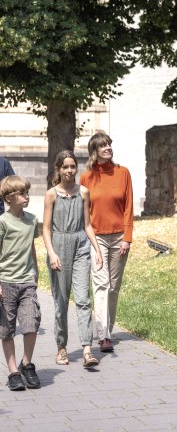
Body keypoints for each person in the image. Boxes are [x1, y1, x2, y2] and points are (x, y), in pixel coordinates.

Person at [43, 150, 103, 368]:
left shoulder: (84, 192)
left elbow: (87, 225)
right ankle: (61, 348)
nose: (69, 171)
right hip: (58, 245)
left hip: (80, 245)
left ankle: (87, 349)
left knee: (83, 299)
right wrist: (51, 253)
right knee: (61, 302)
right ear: (58, 169)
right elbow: (46, 229)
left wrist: (96, 250)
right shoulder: (51, 194)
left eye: (72, 166)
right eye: (65, 167)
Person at [80, 133, 133, 353]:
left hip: (119, 236)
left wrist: (127, 238)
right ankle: (103, 335)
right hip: (97, 237)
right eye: (103, 145)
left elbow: (129, 206)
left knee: (114, 286)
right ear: (94, 151)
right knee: (101, 283)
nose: (108, 148)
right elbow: (83, 212)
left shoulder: (123, 173)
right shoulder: (86, 178)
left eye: (109, 144)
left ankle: (107, 328)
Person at [0, 175, 41, 391]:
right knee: (6, 329)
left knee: (30, 323)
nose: (27, 196)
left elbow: (31, 247)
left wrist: (36, 270)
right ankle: (13, 372)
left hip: (27, 280)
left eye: (27, 192)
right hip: (6, 282)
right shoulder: (3, 222)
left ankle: (27, 364)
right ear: (9, 198)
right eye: (22, 194)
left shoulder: (32, 220)